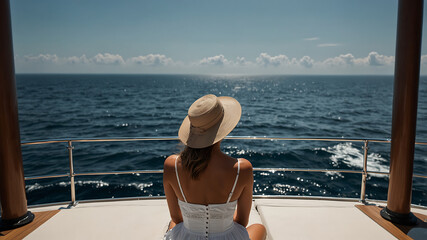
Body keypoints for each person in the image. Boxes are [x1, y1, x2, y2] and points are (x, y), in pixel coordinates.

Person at [163, 94, 267, 240]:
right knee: (259, 228)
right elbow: (242, 222)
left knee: (173, 224)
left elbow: (176, 217)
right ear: (221, 130)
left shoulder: (171, 165)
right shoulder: (241, 169)